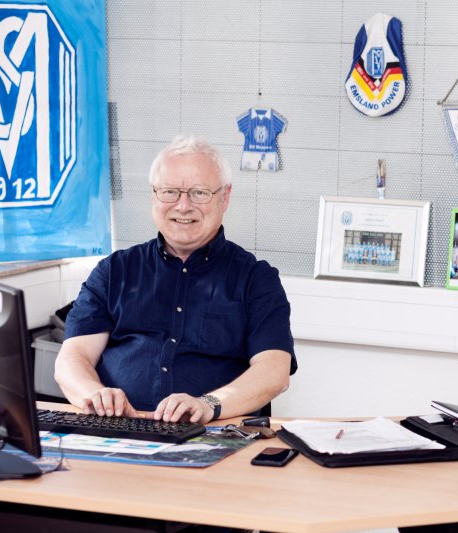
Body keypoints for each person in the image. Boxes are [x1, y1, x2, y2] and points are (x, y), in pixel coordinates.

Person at [54, 135, 296, 424]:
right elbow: (72, 358)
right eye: (170, 192)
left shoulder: (257, 279)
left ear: (225, 197)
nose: (183, 206)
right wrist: (94, 394)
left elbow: (274, 371)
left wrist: (209, 404)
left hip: (211, 433)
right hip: (119, 428)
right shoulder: (114, 271)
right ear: (154, 195)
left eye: (199, 193)